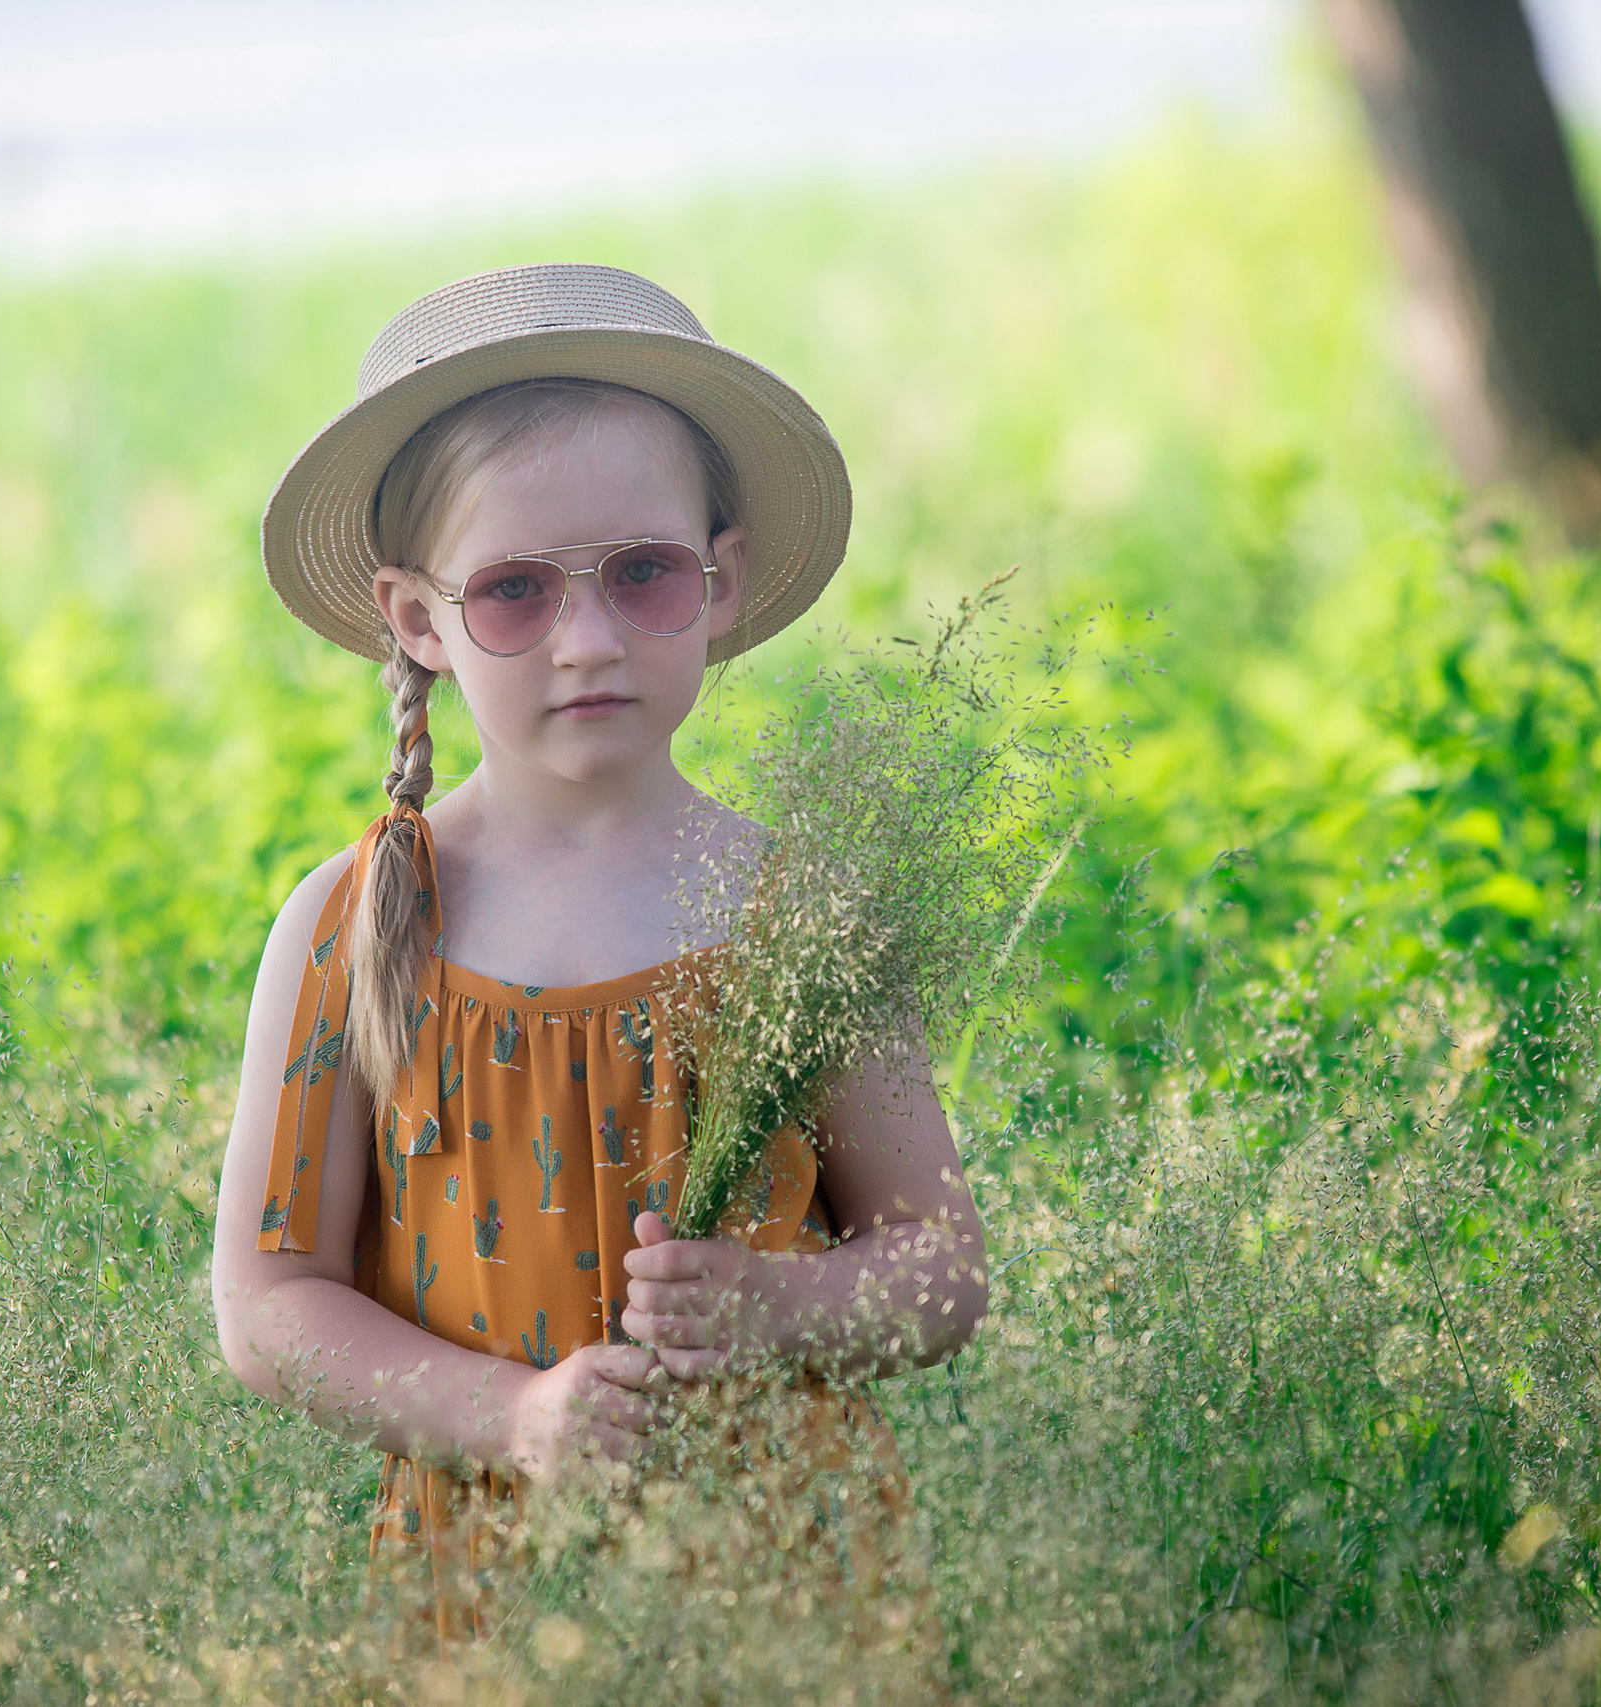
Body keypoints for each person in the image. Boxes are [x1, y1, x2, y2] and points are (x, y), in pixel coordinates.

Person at [210, 263, 987, 1649]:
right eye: (513, 592)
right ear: (417, 621)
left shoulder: (798, 915)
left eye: (643, 575)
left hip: (790, 1595)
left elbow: (941, 1272)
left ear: (722, 581)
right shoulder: (346, 927)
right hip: (488, 1600)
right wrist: (507, 1417)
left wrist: (778, 1305)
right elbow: (269, 1306)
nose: (587, 643)